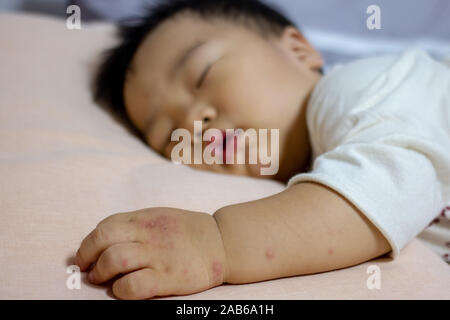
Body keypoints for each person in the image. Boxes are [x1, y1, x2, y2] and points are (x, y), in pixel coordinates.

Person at [74, 0, 450, 299]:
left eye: (203, 75)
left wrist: (215, 242)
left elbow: (389, 185)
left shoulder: (361, 89)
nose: (193, 123)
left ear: (298, 50)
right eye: (168, 134)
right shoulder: (314, 165)